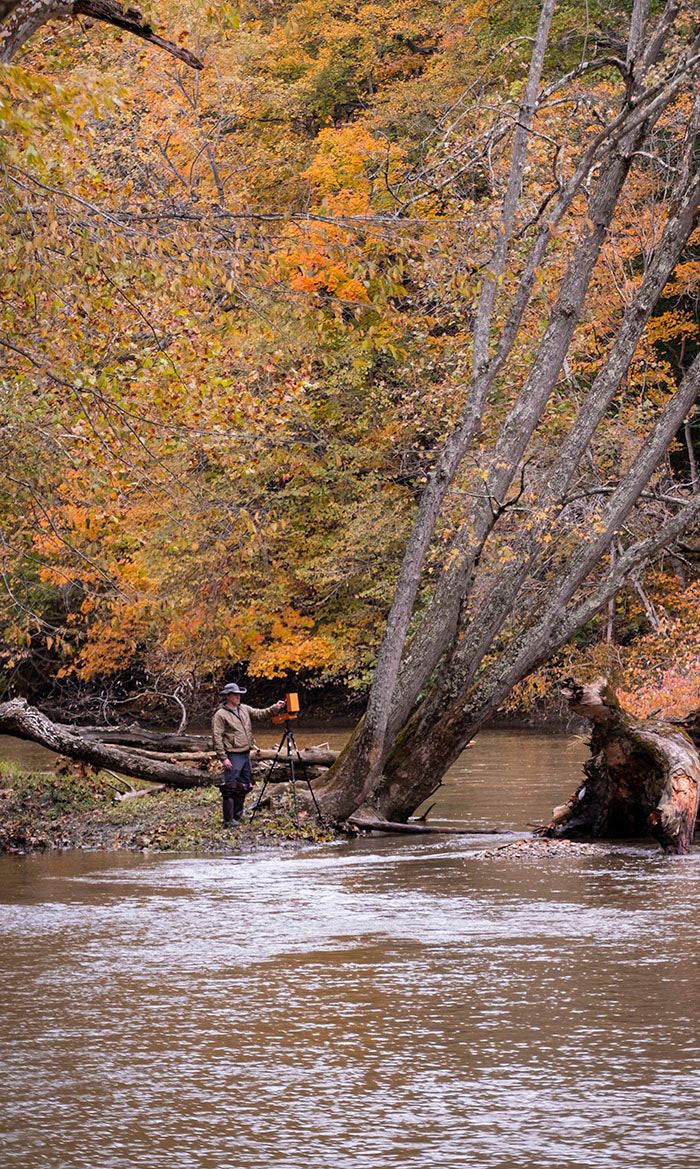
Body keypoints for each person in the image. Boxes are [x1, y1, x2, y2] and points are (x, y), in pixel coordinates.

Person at [212, 683, 286, 827]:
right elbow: (217, 737)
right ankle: (229, 819)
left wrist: (275, 708)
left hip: (246, 753)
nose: (238, 696)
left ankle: (238, 814)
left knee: (244, 785)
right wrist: (223, 758)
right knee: (230, 787)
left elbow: (260, 714)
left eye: (239, 694)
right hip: (232, 754)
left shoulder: (244, 709)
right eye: (235, 694)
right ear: (227, 696)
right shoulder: (220, 715)